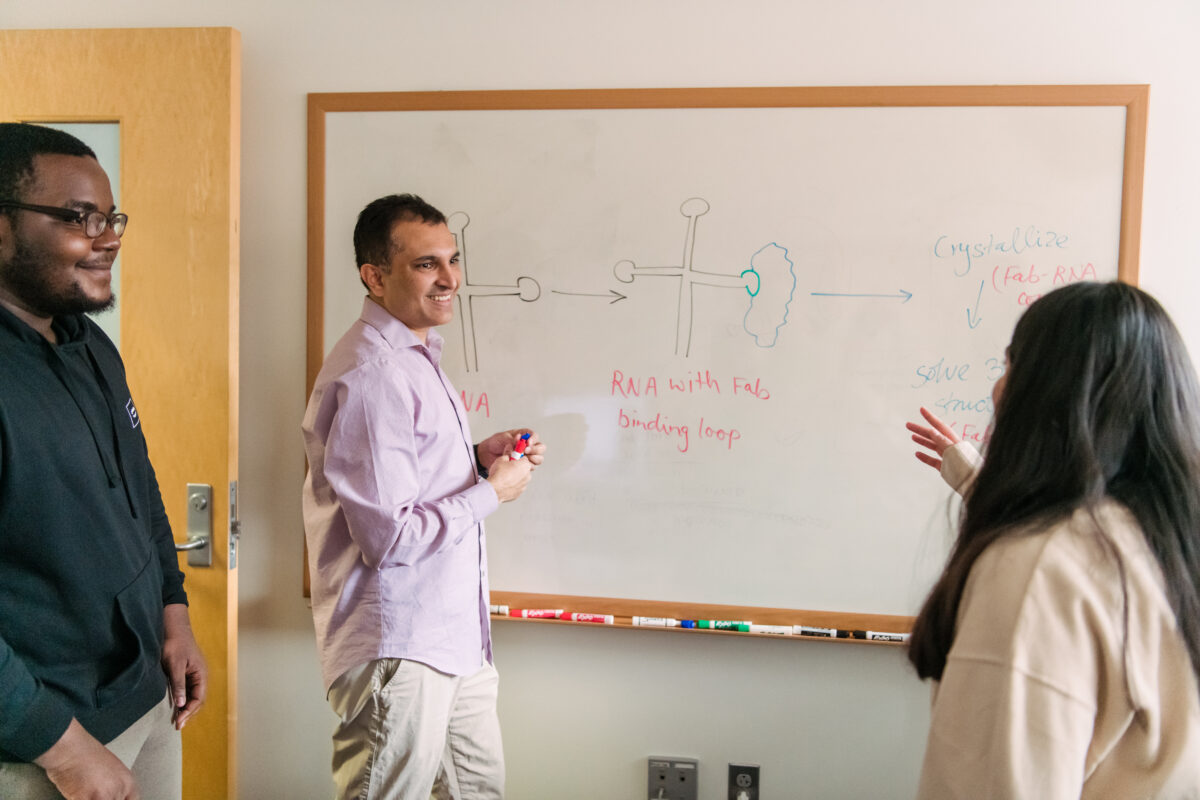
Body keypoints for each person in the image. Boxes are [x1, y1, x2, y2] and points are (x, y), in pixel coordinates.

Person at [904, 281, 1200, 798]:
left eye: (1010, 365)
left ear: (1047, 391)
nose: (998, 389)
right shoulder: (1165, 547)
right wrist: (975, 477)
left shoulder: (1036, 569)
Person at [302, 193, 545, 800]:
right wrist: (491, 494)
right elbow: (390, 537)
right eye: (426, 264)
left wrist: (475, 460)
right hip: (399, 647)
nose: (450, 279)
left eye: (452, 260)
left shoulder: (415, 357)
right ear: (374, 276)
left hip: (452, 637)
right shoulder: (375, 374)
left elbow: (405, 480)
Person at [0, 123, 207, 800]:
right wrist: (60, 748)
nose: (109, 236)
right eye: (77, 217)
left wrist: (172, 613)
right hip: (45, 740)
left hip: (145, 693)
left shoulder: (86, 342)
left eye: (110, 216)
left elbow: (137, 487)